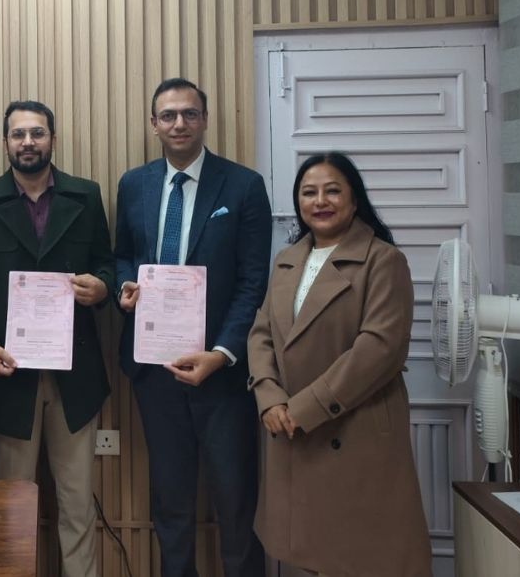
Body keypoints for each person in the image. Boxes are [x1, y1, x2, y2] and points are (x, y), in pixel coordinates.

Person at [247, 152, 432, 576]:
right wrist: (270, 398)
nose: (320, 201)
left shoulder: (383, 260)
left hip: (352, 426)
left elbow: (380, 348)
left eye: (332, 191)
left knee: (361, 555)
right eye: (308, 192)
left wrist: (303, 408)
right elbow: (261, 333)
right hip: (290, 425)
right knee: (310, 551)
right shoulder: (287, 260)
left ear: (354, 199)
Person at [114, 78, 270, 577]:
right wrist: (123, 287)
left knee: (236, 501)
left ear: (205, 119)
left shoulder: (243, 185)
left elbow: (253, 281)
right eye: (168, 115)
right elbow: (123, 256)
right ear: (153, 124)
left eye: (189, 114)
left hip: (221, 372)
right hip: (155, 368)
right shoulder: (133, 184)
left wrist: (222, 353)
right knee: (171, 500)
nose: (178, 123)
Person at [0, 100, 115, 577]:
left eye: (37, 133)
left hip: (76, 377)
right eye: (19, 134)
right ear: (5, 142)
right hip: (8, 374)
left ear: (52, 140)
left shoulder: (86, 195)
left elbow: (107, 264)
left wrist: (102, 287)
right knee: (12, 507)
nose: (28, 142)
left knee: (78, 506)